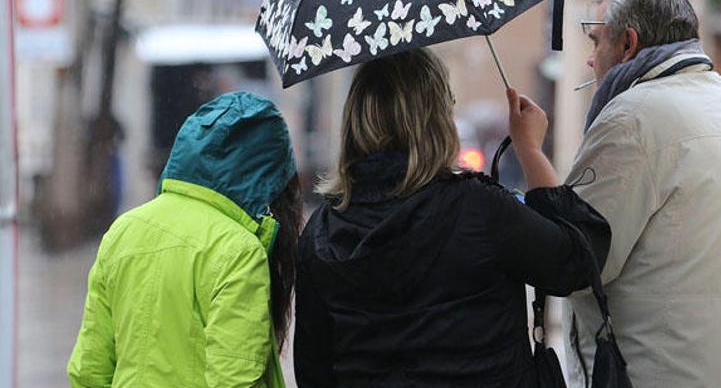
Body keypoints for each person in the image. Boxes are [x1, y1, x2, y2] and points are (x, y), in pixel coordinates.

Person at [293, 49, 611, 388]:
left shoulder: (321, 234)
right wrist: (530, 151)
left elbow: (314, 370)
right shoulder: (481, 209)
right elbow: (576, 264)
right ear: (436, 118)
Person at [562, 0, 721, 386]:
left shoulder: (630, 119)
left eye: (596, 41)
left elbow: (576, 260)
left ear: (628, 43)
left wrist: (530, 160)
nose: (589, 58)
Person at [68, 92, 301, 387]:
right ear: (267, 177)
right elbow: (234, 381)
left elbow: (88, 370)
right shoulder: (238, 250)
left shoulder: (123, 231)